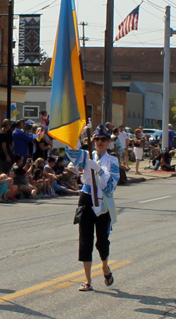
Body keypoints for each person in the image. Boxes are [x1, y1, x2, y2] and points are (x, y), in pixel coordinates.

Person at [67, 124, 120, 291]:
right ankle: (88, 280)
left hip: (102, 202)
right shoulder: (86, 155)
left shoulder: (112, 161)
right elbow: (71, 153)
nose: (100, 142)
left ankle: (105, 266)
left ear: (109, 141)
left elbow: (111, 186)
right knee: (85, 239)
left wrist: (99, 171)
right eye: (97, 139)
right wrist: (78, 134)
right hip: (86, 198)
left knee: (102, 240)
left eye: (103, 139)